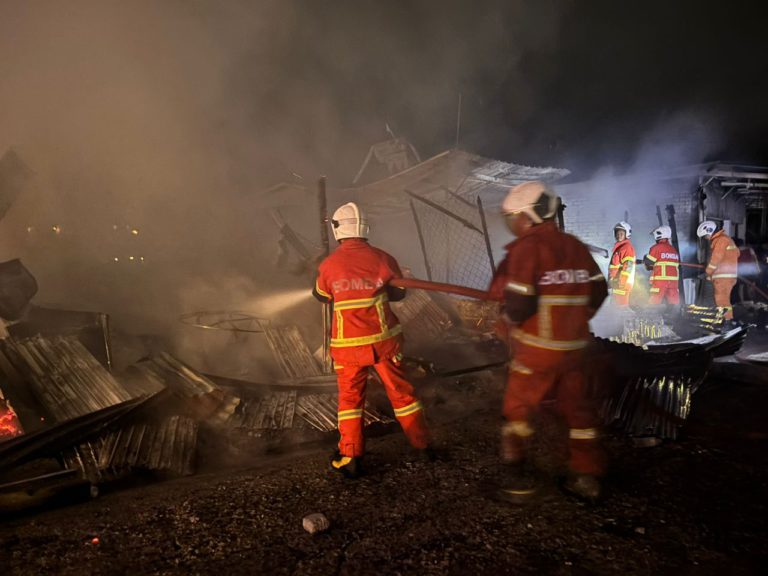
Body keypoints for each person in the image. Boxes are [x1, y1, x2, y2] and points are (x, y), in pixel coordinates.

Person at [489, 181, 608, 503]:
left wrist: (506, 321)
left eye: (512, 218)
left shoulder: (527, 248)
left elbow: (518, 305)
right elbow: (600, 291)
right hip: (576, 350)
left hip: (537, 351)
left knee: (518, 410)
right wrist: (577, 320)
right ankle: (586, 477)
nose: (512, 224)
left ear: (526, 217)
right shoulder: (575, 246)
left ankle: (517, 477)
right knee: (579, 411)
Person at [313, 202, 430, 478]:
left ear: (337, 229)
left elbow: (320, 295)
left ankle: (350, 456)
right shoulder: (383, 259)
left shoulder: (329, 265)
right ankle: (423, 446)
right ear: (365, 227)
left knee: (350, 401)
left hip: (348, 348)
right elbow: (399, 294)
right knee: (402, 394)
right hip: (383, 343)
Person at [697, 220, 739, 321]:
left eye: (705, 236)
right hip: (726, 277)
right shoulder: (726, 239)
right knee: (723, 301)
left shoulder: (721, 240)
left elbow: (716, 259)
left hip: (723, 278)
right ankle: (725, 320)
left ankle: (727, 321)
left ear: (709, 231)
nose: (706, 238)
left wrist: (708, 272)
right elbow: (737, 253)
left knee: (722, 302)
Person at [643, 225, 680, 307]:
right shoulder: (673, 250)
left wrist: (645, 258)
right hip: (673, 282)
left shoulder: (656, 248)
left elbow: (649, 264)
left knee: (654, 301)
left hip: (660, 281)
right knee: (673, 302)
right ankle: (676, 313)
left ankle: (651, 313)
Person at [608, 221, 635, 307]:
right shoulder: (620, 248)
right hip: (617, 282)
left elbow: (628, 266)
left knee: (621, 308)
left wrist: (622, 281)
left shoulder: (626, 247)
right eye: (617, 233)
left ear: (626, 234)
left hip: (622, 284)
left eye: (621, 233)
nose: (618, 235)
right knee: (615, 308)